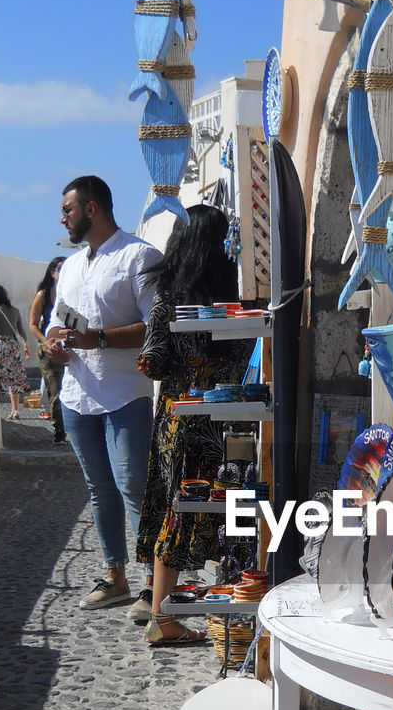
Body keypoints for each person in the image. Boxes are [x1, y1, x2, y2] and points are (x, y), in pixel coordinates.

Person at [42, 175, 162, 613]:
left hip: (125, 393)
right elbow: (57, 320)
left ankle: (154, 582)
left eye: (68, 209)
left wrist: (101, 340)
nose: (62, 217)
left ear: (92, 209)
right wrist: (54, 341)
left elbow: (156, 326)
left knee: (134, 487)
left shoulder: (140, 256)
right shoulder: (71, 266)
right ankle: (115, 576)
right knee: (99, 489)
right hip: (77, 394)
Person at [137, 204, 252, 646]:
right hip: (234, 418)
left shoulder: (168, 293)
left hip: (179, 417)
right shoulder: (234, 296)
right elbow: (246, 358)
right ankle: (239, 596)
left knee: (179, 506)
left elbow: (152, 361)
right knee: (236, 501)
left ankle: (161, 612)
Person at [28, 256, 67, 443]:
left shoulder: (71, 291)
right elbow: (33, 324)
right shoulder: (43, 295)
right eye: (60, 268)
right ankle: (60, 429)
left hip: (70, 346)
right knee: (55, 389)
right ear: (52, 272)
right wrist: (46, 340)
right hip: (48, 348)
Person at [0, 284, 31, 420]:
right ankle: (15, 410)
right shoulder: (15, 311)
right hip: (14, 346)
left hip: (1, 346)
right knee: (14, 378)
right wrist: (26, 346)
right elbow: (21, 331)